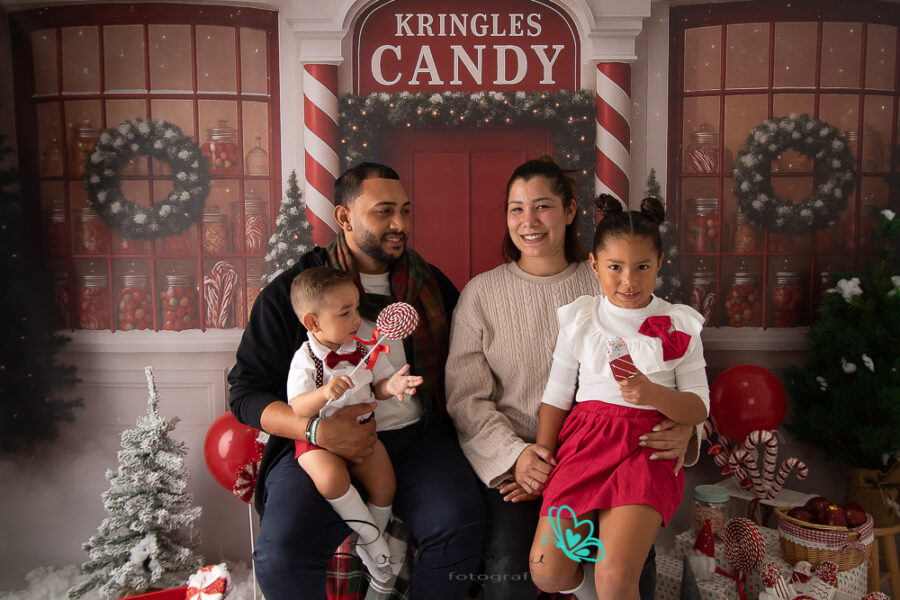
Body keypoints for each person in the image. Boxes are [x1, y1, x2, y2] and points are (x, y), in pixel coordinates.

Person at [228, 162, 486, 600]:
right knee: (281, 555)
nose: (399, 224)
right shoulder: (297, 293)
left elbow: (467, 368)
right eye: (384, 211)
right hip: (319, 441)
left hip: (416, 437)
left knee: (459, 526)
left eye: (405, 211)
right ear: (344, 217)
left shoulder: (431, 286)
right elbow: (246, 393)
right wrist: (315, 430)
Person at [445, 157, 699, 600]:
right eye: (516, 209)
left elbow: (672, 364)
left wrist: (687, 429)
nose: (529, 221)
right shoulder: (481, 295)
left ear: (568, 212)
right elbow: (466, 400)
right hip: (521, 463)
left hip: (619, 451)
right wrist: (517, 458)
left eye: (542, 206)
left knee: (624, 571)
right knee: (514, 571)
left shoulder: (613, 276)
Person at [528, 194, 710, 600]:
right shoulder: (580, 319)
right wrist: (543, 457)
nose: (629, 281)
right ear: (594, 265)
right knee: (546, 571)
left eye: (642, 267)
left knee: (615, 578)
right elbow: (557, 395)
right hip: (586, 444)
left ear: (659, 263)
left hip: (647, 449)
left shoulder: (678, 324)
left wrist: (654, 393)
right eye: (615, 267)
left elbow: (698, 406)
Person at [286, 266, 424, 582]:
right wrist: (323, 393)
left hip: (364, 433)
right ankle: (374, 538)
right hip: (320, 442)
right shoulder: (306, 359)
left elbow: (379, 385)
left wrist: (393, 386)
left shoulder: (363, 349)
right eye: (345, 313)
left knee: (385, 485)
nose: (356, 320)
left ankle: (368, 539)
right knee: (330, 479)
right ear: (312, 322)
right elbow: (298, 407)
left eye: (357, 309)